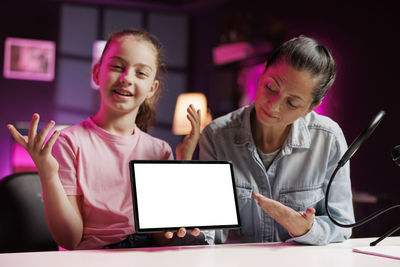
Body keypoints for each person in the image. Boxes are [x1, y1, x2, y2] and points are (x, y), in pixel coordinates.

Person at [7, 29, 209, 250]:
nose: (126, 78)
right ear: (96, 73)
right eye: (117, 67)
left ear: (152, 88)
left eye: (141, 73)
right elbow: (70, 240)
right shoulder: (69, 142)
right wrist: (48, 174)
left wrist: (184, 160)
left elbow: (164, 237)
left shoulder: (159, 150)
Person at [199, 35, 355, 245]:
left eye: (291, 103)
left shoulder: (328, 138)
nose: (272, 106)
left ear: (311, 107)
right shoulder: (216, 136)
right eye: (271, 87)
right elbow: (210, 233)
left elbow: (342, 225)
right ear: (263, 72)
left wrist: (306, 229)